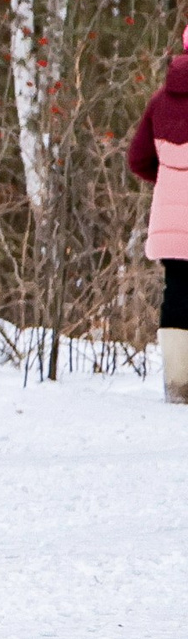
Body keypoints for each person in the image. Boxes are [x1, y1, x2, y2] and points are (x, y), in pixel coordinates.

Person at [125, 24, 188, 405]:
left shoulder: (160, 101)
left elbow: (138, 159)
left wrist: (169, 182)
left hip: (171, 220)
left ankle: (178, 384)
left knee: (177, 291)